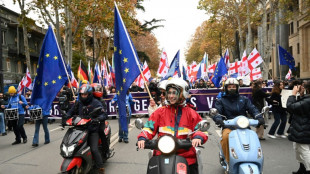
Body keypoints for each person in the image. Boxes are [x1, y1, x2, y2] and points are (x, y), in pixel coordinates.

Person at [137, 78, 208, 174]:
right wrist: (142, 138)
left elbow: (200, 128)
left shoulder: (191, 113)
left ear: (182, 94)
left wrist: (198, 137)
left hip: (186, 156)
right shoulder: (160, 111)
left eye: (174, 93)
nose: (171, 96)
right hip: (161, 153)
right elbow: (149, 127)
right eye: (169, 93)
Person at [212, 78, 263, 164]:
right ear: (226, 88)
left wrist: (259, 117)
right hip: (228, 126)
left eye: (234, 86)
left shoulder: (244, 99)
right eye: (229, 87)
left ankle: (255, 160)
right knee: (225, 137)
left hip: (244, 126)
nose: (232, 88)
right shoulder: (221, 101)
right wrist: (218, 119)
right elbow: (217, 112)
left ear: (237, 88)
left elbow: (253, 109)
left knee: (253, 138)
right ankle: (228, 161)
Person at [65, 84, 106, 174]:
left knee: (94, 149)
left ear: (89, 94)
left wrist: (98, 119)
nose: (83, 96)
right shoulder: (78, 102)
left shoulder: (96, 103)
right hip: (79, 129)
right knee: (72, 145)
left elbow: (103, 114)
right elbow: (71, 111)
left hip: (92, 130)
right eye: (82, 94)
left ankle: (100, 167)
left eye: (85, 95)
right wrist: (66, 117)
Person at [287, 81, 310, 174]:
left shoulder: (308, 100)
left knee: (304, 150)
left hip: (304, 128)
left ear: (306, 89)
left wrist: (292, 95)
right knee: (297, 148)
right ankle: (302, 168)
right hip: (301, 127)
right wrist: (300, 95)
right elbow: (301, 106)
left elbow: (291, 107)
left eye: (302, 87)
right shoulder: (306, 99)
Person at [91, 83, 110, 160]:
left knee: (101, 133)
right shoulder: (88, 100)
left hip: (99, 122)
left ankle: (106, 151)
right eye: (96, 89)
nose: (98, 91)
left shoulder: (101, 101)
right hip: (88, 122)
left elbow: (104, 113)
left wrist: (99, 118)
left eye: (99, 89)